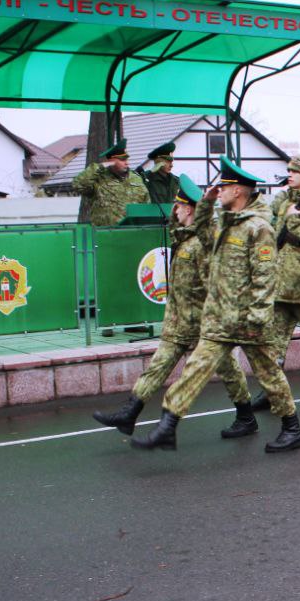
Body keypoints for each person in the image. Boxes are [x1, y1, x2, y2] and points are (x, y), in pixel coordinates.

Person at [132, 157, 300, 453]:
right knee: (195, 369)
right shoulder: (224, 221)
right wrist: (207, 203)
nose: (218, 190)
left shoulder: (258, 227)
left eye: (223, 187)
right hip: (220, 318)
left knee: (269, 375)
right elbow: (201, 233)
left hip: (248, 320)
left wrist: (257, 316)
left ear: (238, 191)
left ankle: (292, 428)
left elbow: (265, 276)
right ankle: (167, 427)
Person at [92, 174, 259, 438]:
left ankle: (246, 416)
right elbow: (177, 227)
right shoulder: (184, 237)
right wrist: (174, 215)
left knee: (228, 369)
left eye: (179, 206)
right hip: (178, 321)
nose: (175, 210)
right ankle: (129, 413)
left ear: (190, 210)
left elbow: (213, 282)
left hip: (202, 322)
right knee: (158, 366)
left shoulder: (200, 244)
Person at [249, 156, 300, 412]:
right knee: (274, 343)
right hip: (282, 285)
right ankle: (270, 391)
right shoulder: (286, 201)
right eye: (289, 170)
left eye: (295, 171)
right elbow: (273, 229)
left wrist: (293, 221)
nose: (290, 174)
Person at [71, 140, 149, 226]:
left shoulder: (136, 178)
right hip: (105, 231)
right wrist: (101, 166)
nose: (127, 163)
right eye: (122, 160)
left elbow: (146, 204)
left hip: (132, 230)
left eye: (127, 159)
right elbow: (78, 184)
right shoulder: (99, 178)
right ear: (110, 161)